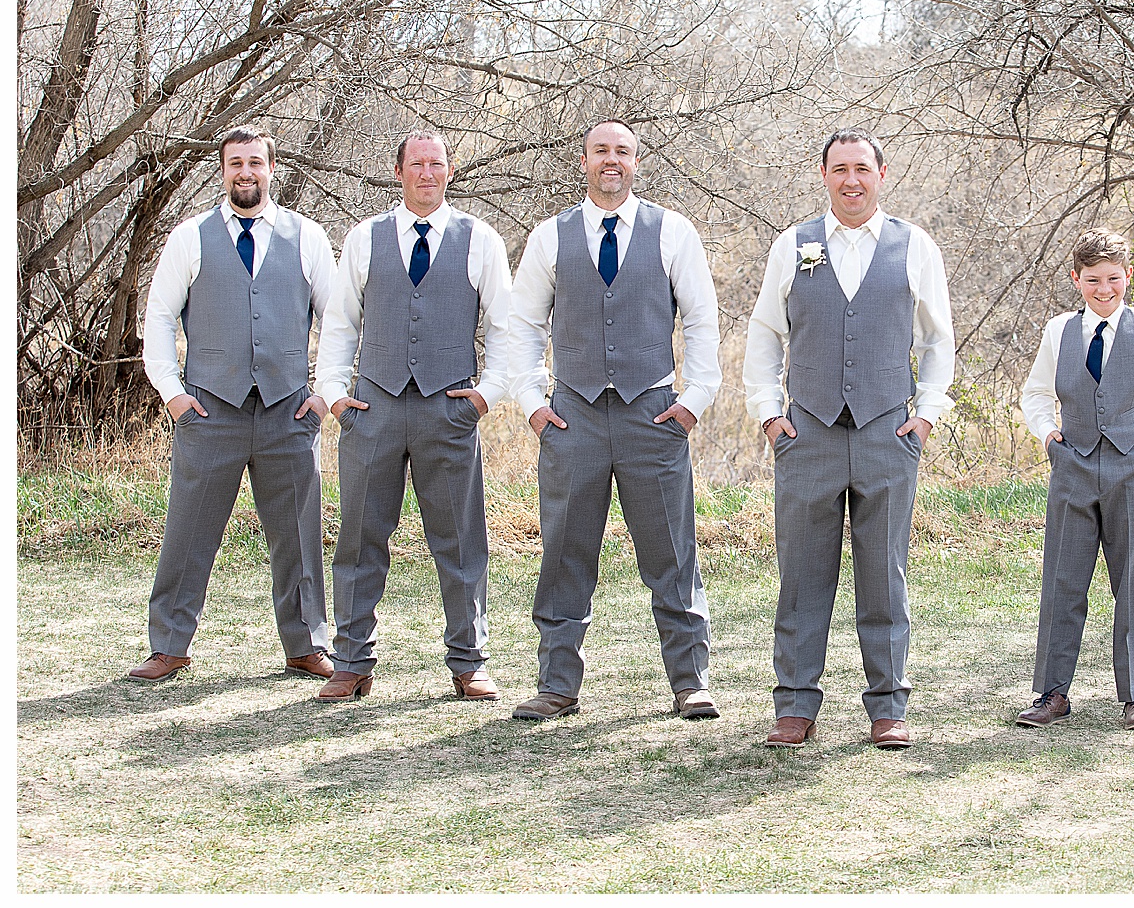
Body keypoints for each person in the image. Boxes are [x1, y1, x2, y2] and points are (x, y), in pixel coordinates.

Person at [504, 120, 723, 722]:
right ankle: (556, 682)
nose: (612, 161)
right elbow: (521, 325)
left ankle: (690, 680)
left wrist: (693, 401)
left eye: (622, 152)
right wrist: (533, 403)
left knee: (671, 553)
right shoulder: (550, 236)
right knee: (566, 550)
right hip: (571, 417)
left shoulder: (673, 232)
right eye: (601, 151)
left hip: (652, 415)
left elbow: (702, 320)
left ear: (635, 162)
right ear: (583, 161)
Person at [744, 129, 955, 748]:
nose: (851, 180)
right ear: (824, 173)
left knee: (884, 572)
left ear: (881, 175)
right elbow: (763, 334)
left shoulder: (915, 246)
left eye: (862, 168)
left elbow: (938, 339)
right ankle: (795, 704)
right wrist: (767, 412)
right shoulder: (793, 245)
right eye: (840, 169)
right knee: (802, 573)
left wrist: (928, 413)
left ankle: (888, 705)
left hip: (888, 430)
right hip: (807, 429)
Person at [127, 128, 335, 683]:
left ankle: (307, 643)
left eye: (255, 163)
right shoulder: (189, 238)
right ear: (223, 171)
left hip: (288, 411)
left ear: (272, 169)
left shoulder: (307, 237)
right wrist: (173, 394)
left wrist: (324, 393)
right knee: (188, 531)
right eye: (235, 163)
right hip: (209, 409)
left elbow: (341, 321)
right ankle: (168, 643)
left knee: (298, 532)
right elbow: (159, 321)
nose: (246, 173)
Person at [313, 131, 513, 702]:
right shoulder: (363, 238)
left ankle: (468, 661)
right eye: (417, 164)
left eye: (438, 164)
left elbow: (505, 326)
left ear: (449, 172)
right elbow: (340, 323)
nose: (428, 173)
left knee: (460, 539)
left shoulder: (480, 240)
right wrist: (333, 393)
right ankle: (351, 661)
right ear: (398, 170)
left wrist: (486, 395)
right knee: (359, 536)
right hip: (372, 407)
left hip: (448, 409)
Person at [1016, 230, 1134, 731]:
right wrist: (1049, 437)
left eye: (1113, 279)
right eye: (1092, 279)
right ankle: (1052, 692)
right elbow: (1034, 394)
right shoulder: (1058, 332)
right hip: (1072, 466)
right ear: (1076, 279)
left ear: (1128, 277)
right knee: (1062, 580)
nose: (1103, 289)